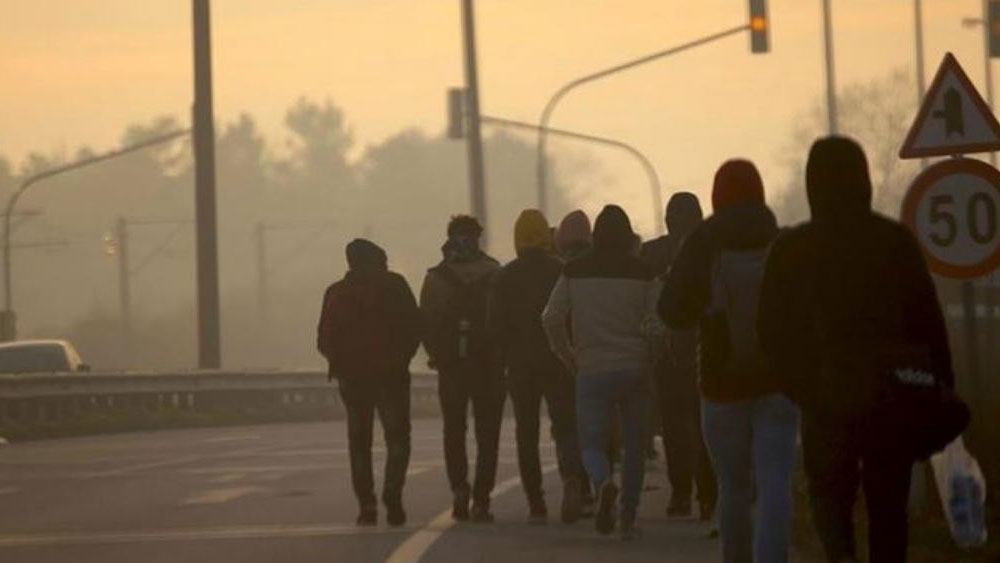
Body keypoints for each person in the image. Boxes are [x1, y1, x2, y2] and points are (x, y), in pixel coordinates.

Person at [758, 137, 954, 563]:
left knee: (829, 494)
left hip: (826, 397)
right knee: (889, 504)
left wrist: (800, 385)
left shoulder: (794, 249)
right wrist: (941, 386)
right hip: (893, 396)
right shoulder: (894, 242)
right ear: (862, 179)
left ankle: (840, 556)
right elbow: (928, 321)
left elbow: (772, 332)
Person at [661, 160, 799, 563]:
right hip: (779, 381)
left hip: (720, 383)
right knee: (775, 480)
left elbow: (672, 311)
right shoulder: (781, 240)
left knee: (733, 485)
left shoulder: (702, 243)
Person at [543, 205, 660, 540]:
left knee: (591, 443)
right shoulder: (644, 271)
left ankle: (603, 481)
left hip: (591, 369)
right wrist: (651, 357)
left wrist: (567, 354)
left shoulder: (574, 270)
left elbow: (550, 317)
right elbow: (656, 325)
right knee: (636, 446)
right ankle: (627, 519)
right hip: (635, 367)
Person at [489, 209, 587, 523]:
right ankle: (573, 478)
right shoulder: (562, 270)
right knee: (566, 426)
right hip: (558, 361)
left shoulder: (505, 276)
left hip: (520, 365)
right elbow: (574, 317)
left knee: (526, 431)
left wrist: (503, 357)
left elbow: (495, 325)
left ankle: (536, 500)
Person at [317, 239, 421, 527]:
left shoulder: (336, 292)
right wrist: (401, 359)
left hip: (352, 380)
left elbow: (323, 338)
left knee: (359, 441)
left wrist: (341, 363)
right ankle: (393, 496)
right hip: (391, 377)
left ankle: (366, 504)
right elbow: (415, 326)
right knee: (397, 437)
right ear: (378, 260)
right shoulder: (395, 286)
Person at [420, 215, 505, 523]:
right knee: (488, 434)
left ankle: (459, 488)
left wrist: (437, 356)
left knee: (454, 431)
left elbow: (425, 323)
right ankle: (482, 500)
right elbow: (503, 320)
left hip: (451, 367)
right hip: (489, 366)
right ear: (479, 237)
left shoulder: (435, 278)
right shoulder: (495, 273)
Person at [640, 192, 717, 520]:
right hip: (705, 349)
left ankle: (681, 495)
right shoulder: (711, 249)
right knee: (704, 426)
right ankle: (709, 495)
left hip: (665, 354)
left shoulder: (652, 253)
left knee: (673, 428)